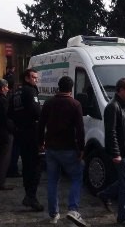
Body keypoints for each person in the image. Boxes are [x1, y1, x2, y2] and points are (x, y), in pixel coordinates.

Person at [37, 76, 87, 226]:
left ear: (58, 87)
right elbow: (80, 129)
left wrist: (40, 143)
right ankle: (73, 209)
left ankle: (53, 214)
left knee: (52, 180)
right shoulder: (75, 104)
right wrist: (82, 148)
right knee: (77, 177)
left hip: (51, 148)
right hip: (68, 148)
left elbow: (41, 124)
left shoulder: (49, 103)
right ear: (71, 88)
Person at [97, 78, 125, 226]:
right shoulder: (112, 107)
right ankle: (122, 217)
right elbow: (111, 132)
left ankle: (104, 194)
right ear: (120, 90)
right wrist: (116, 153)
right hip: (121, 152)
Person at [8, 68, 43, 211]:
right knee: (36, 166)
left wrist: (15, 130)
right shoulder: (30, 91)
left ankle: (28, 195)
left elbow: (9, 114)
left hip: (20, 133)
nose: (36, 80)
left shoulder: (16, 92)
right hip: (31, 133)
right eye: (34, 77)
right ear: (27, 78)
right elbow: (36, 112)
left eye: (36, 77)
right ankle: (31, 196)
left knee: (27, 165)